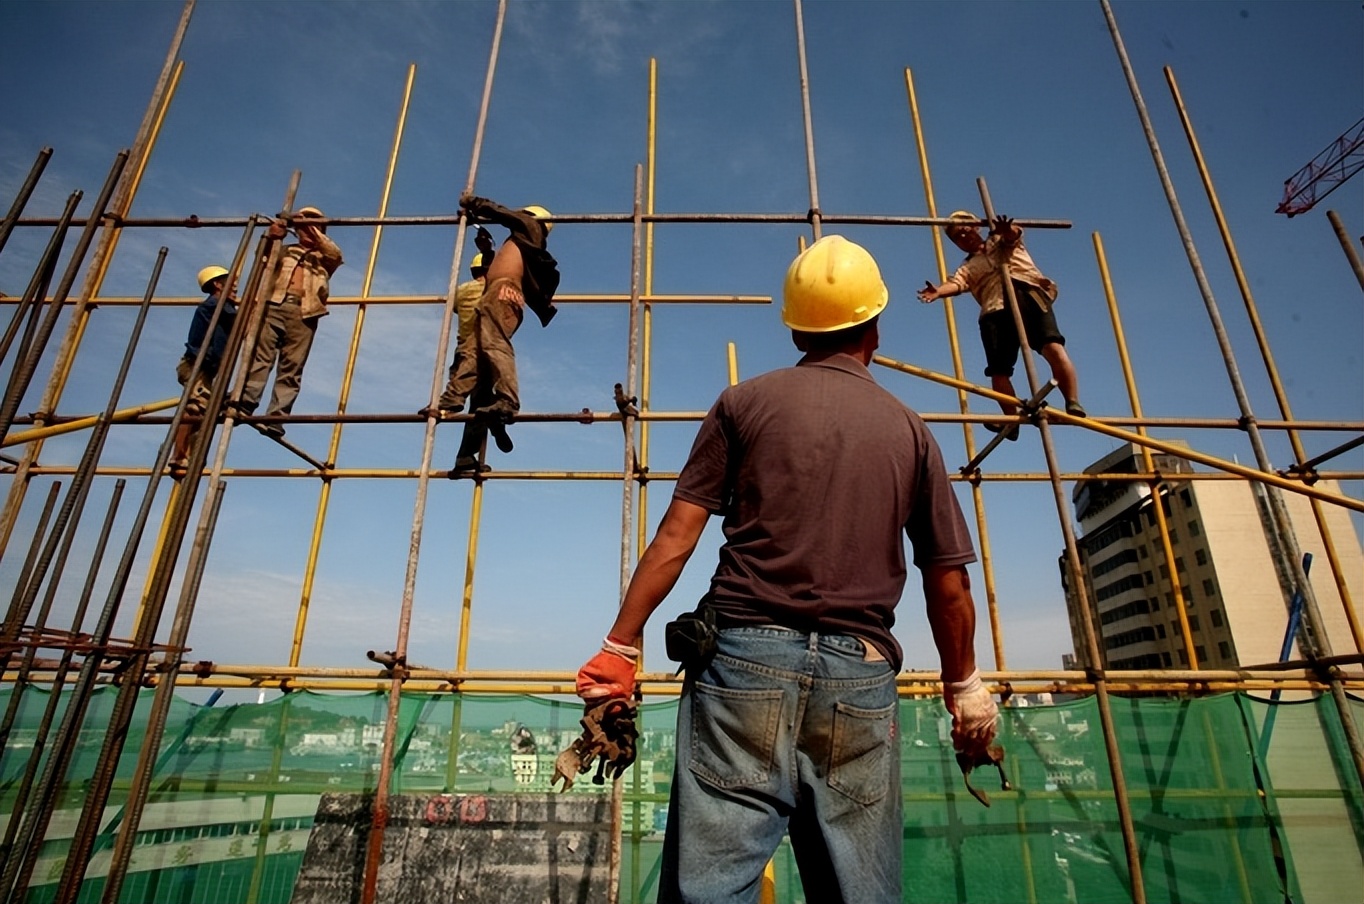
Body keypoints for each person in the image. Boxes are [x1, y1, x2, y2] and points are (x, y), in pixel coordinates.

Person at [575, 235, 999, 904]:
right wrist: (965, 690)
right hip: (858, 675)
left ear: (797, 327)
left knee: (710, 888)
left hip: (742, 662)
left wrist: (616, 646)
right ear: (876, 327)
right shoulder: (911, 430)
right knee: (859, 890)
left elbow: (675, 537)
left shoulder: (743, 404)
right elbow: (948, 580)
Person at [917, 211, 1085, 438]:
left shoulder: (1000, 241)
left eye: (966, 229)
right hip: (995, 311)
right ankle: (1010, 419)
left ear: (976, 227)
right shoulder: (968, 266)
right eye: (957, 236)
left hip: (1027, 295)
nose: (964, 236)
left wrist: (1007, 230)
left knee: (1053, 347)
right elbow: (957, 284)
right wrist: (938, 291)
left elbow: (1013, 236)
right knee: (998, 371)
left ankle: (1072, 402)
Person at [445, 194, 559, 477]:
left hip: (502, 292)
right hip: (494, 293)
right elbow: (506, 259)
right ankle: (453, 401)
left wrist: (476, 204)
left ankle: (508, 400)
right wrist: (487, 246)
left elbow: (502, 213)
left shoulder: (530, 228)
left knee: (495, 345)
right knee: (476, 356)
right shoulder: (520, 242)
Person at [237, 205, 343, 437]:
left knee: (292, 366)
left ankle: (277, 416)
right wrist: (270, 237)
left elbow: (335, 253)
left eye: (315, 223)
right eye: (305, 224)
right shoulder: (283, 250)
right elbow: (262, 258)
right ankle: (246, 402)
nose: (308, 228)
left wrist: (307, 225)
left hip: (305, 311)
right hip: (273, 304)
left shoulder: (324, 257)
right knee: (260, 357)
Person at [170, 265, 238, 477]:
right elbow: (239, 322)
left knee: (202, 413)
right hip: (195, 367)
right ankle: (179, 456)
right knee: (194, 408)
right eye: (230, 282)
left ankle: (190, 457)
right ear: (218, 284)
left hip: (205, 370)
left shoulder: (223, 308)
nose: (235, 286)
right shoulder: (214, 306)